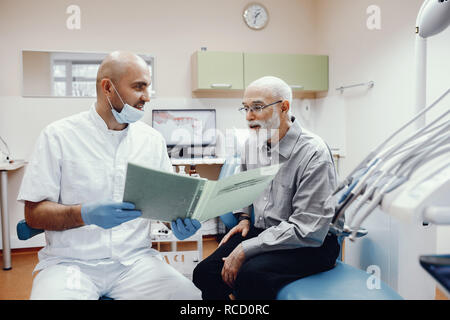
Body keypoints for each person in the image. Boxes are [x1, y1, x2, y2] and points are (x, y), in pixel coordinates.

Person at [17, 51, 201, 300]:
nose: (146, 97)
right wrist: (83, 213)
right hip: (71, 264)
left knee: (189, 297)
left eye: (148, 88)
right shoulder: (58, 136)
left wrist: (178, 223)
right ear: (107, 87)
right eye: (139, 87)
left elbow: (164, 205)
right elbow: (33, 214)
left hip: (135, 263)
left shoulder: (152, 141)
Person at [192, 76, 340, 300]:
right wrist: (243, 218)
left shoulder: (313, 153)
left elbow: (307, 229)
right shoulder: (252, 144)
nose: (249, 116)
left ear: (284, 107)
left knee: (251, 277)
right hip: (266, 232)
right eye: (246, 108)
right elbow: (244, 187)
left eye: (258, 107)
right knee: (204, 273)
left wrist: (245, 248)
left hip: (311, 243)